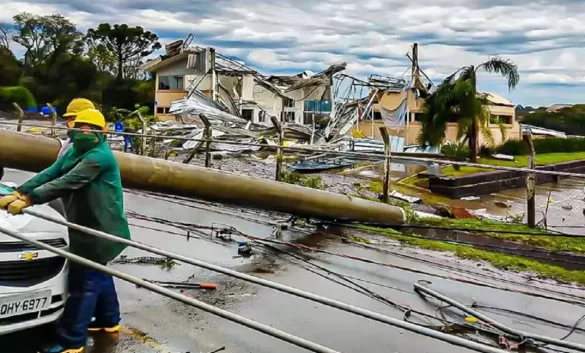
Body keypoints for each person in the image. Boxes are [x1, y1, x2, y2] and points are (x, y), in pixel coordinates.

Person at [0, 109, 131, 353]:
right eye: (79, 125)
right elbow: (52, 173)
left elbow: (67, 181)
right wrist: (20, 191)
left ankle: (72, 341)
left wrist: (29, 200)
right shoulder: (73, 150)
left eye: (89, 128)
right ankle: (108, 322)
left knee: (83, 283)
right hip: (85, 226)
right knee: (99, 275)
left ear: (102, 133)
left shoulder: (99, 157)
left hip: (100, 230)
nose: (83, 130)